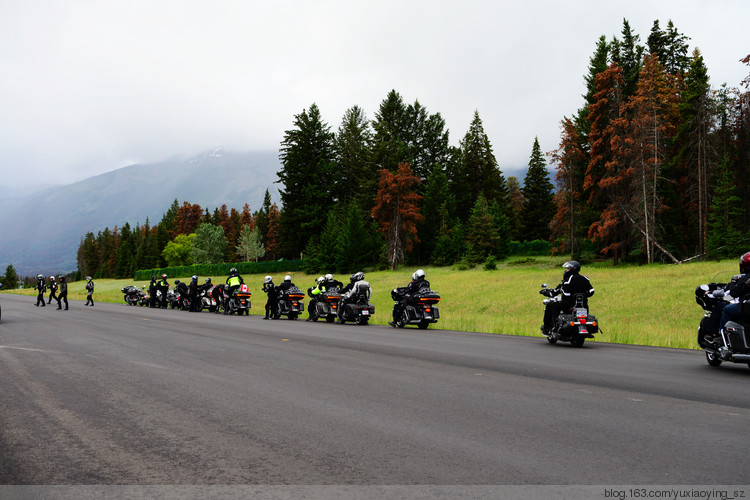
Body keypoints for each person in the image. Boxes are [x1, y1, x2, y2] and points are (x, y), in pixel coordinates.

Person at [540, 261, 595, 335]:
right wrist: (583, 296)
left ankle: (550, 327)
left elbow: (565, 293)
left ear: (572, 269)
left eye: (568, 268)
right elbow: (591, 291)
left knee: (551, 305)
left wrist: (547, 293)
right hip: (584, 306)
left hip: (568, 305)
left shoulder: (568, 280)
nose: (566, 270)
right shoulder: (585, 278)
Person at [716, 252, 750, 333]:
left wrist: (723, 298)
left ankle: (721, 334)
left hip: (747, 309)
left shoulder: (745, 279)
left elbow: (734, 294)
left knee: (727, 309)